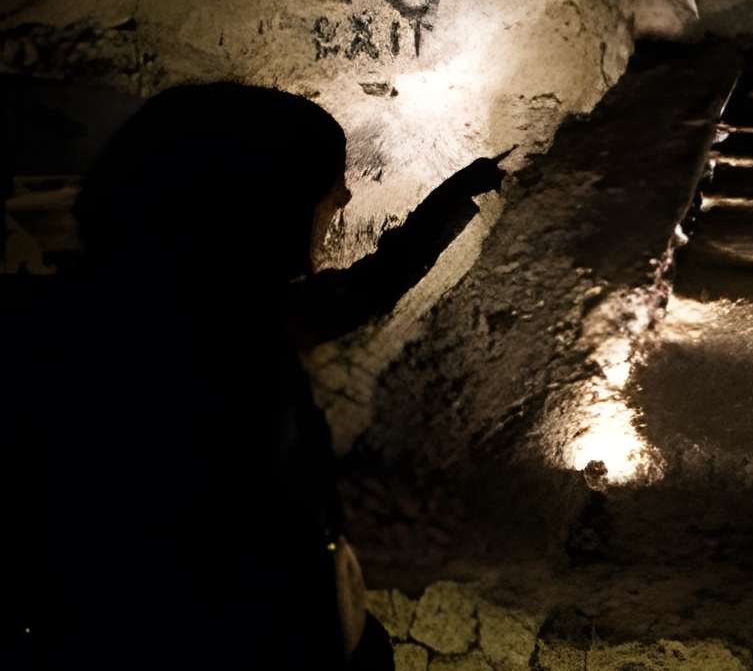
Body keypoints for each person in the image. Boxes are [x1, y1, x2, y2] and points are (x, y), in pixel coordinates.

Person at [5, 83, 504, 670]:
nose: (343, 197)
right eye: (325, 189)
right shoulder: (205, 352)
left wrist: (452, 196)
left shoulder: (166, 313)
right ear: (265, 205)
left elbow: (361, 290)